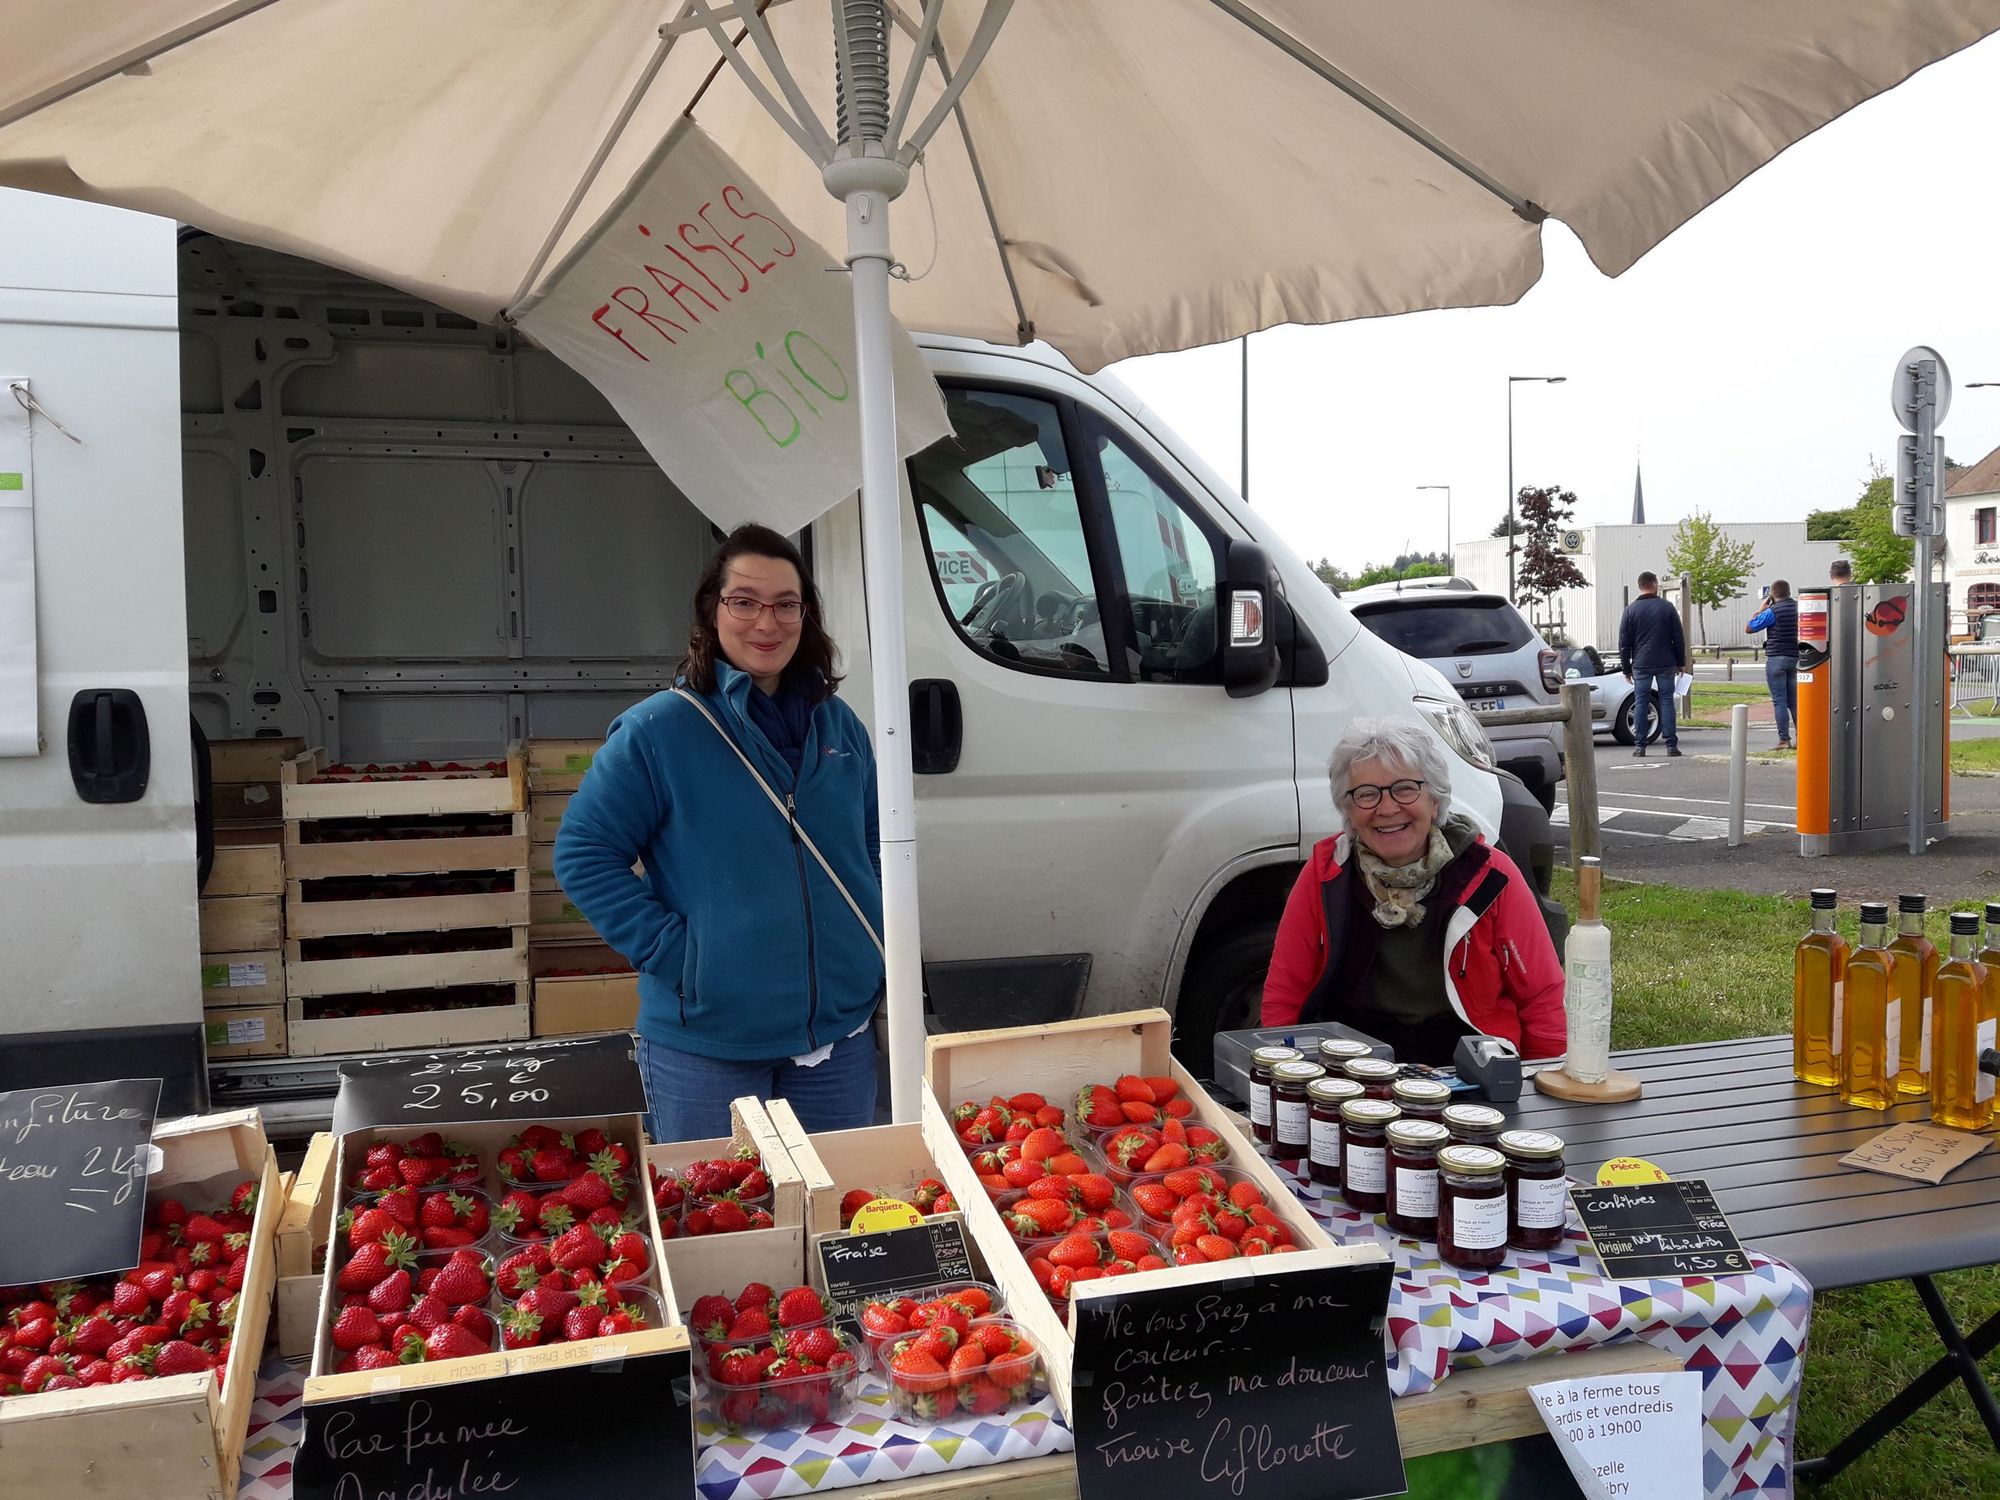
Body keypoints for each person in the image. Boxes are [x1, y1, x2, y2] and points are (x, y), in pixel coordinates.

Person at [554, 524, 884, 1142]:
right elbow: (584, 852)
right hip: (707, 1046)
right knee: (721, 1221)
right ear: (713, 612)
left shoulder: (841, 728)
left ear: (806, 614)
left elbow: (871, 846)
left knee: (836, 1215)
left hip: (838, 1038)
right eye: (745, 602)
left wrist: (868, 942)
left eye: (787, 604)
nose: (768, 623)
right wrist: (680, 957)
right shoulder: (660, 731)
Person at [1261, 719, 1567, 1062]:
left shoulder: (1490, 874)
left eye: (1405, 789)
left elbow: (1541, 995)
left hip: (1470, 1060)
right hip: (1356, 1062)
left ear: (1434, 800)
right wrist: (1282, 1070)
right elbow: (1284, 992)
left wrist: (1541, 1082)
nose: (1387, 808)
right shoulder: (1325, 874)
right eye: (1366, 794)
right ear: (1347, 810)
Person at [1617, 571, 1689, 757]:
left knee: (1641, 701)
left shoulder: (1630, 610)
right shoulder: (1667, 607)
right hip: (1666, 661)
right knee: (1666, 700)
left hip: (1641, 663)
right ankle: (1671, 744)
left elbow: (1624, 643)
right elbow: (1678, 637)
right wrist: (1681, 662)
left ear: (1640, 586)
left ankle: (1640, 745)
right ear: (1655, 584)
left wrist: (1626, 668)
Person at [1745, 580, 1799, 749]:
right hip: (1796, 657)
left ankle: (1784, 740)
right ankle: (1803, 736)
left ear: (1772, 596)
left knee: (1780, 701)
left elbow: (1750, 627)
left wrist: (1760, 610)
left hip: (1776, 658)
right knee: (1795, 701)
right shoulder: (1800, 609)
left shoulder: (1772, 611)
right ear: (1789, 593)